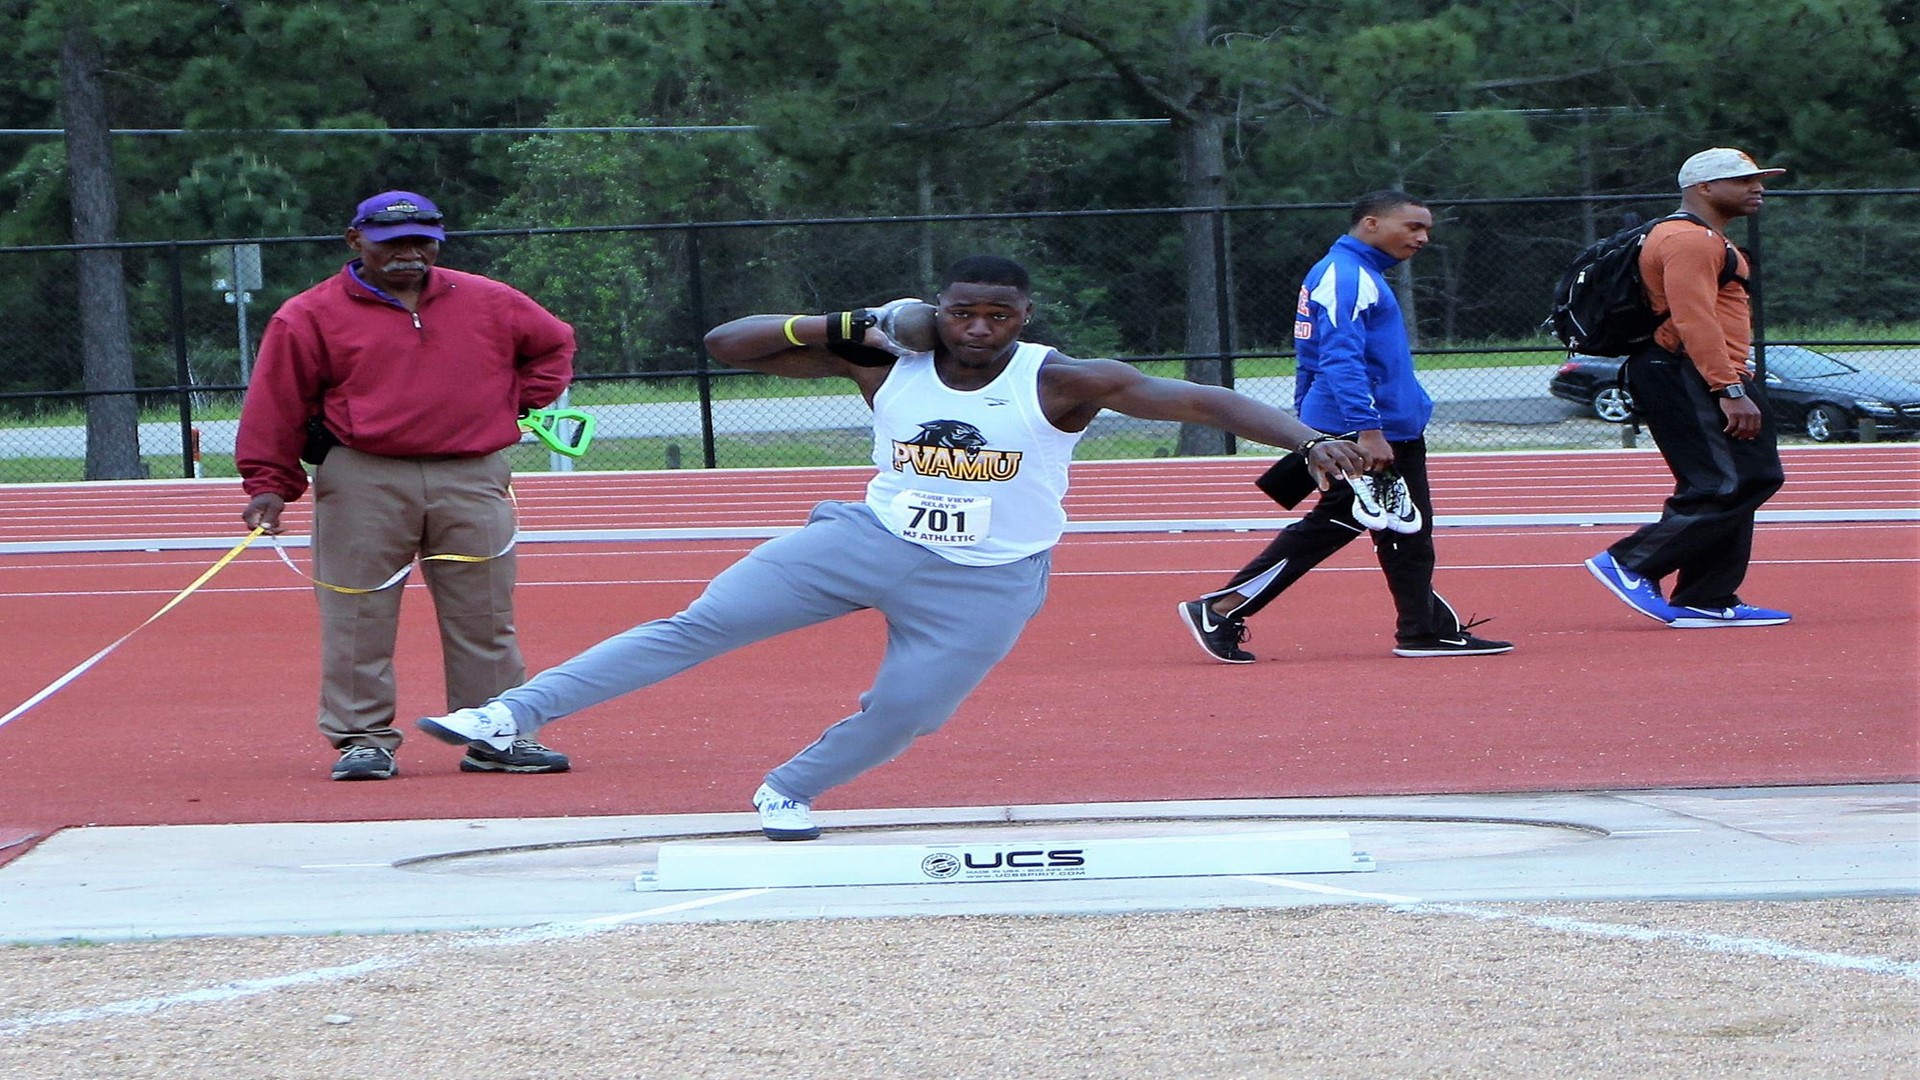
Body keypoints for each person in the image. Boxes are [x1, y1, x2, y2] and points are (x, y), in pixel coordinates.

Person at [416, 255, 1367, 839]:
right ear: (936, 310)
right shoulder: (888, 359)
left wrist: (1309, 439)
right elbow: (728, 341)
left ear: (1023, 318)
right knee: (697, 624)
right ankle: (509, 715)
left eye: (999, 315)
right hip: (864, 540)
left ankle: (789, 791)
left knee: (911, 712)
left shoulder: (1063, 382)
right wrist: (848, 325)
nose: (979, 329)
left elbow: (1202, 400)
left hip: (987, 582)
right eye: (963, 313)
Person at [236, 190, 578, 781]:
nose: (408, 254)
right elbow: (276, 402)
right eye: (391, 243)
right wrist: (270, 482)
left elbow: (554, 344)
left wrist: (511, 404)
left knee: (485, 614)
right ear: (356, 241)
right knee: (356, 615)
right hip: (364, 474)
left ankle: (494, 732)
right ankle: (362, 740)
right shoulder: (308, 315)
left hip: (471, 473)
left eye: (421, 242)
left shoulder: (490, 300)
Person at [1177, 190, 1512, 663]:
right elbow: (1337, 358)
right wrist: (1366, 430)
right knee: (1338, 525)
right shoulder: (1347, 276)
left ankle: (1425, 629)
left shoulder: (1357, 274)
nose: (1422, 237)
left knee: (1403, 529)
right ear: (1371, 224)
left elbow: (1310, 358)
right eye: (1412, 226)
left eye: (1427, 230)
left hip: (1369, 427)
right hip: (1367, 431)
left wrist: (1305, 422)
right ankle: (1222, 607)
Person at [1583, 148, 1791, 628]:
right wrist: (1728, 387)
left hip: (1703, 370)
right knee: (1724, 481)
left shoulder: (1705, 238)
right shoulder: (1688, 239)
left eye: (1759, 179)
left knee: (1749, 476)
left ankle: (1707, 595)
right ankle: (1632, 560)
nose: (1757, 188)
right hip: (1685, 369)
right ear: (1704, 188)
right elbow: (1692, 317)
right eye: (1743, 180)